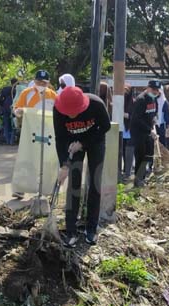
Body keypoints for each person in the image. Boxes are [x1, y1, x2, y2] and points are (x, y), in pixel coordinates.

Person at [54, 86, 111, 247]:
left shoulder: (96, 104)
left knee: (94, 182)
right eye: (68, 112)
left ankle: (91, 228)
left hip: (95, 141)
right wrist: (64, 164)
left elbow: (105, 127)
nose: (71, 115)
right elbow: (60, 138)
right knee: (74, 183)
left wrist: (84, 142)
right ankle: (71, 229)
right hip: (72, 145)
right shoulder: (58, 110)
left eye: (75, 112)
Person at [11, 70, 58, 199]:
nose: (41, 84)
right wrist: (19, 112)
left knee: (47, 160)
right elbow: (17, 108)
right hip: (30, 131)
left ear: (48, 83)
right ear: (34, 81)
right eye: (38, 82)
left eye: (44, 82)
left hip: (48, 132)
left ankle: (46, 188)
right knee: (26, 157)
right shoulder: (27, 93)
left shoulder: (53, 95)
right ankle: (20, 188)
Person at [130, 80, 161, 187]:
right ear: (148, 88)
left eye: (157, 90)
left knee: (148, 155)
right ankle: (138, 180)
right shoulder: (141, 100)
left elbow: (153, 114)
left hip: (149, 131)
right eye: (154, 89)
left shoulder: (154, 99)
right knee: (140, 156)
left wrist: (154, 121)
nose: (156, 92)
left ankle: (143, 177)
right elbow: (136, 119)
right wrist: (149, 130)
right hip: (138, 133)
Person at [0, 78, 17, 145]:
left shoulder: (5, 89)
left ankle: (7, 140)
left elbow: (0, 99)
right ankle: (12, 141)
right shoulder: (16, 90)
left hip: (5, 107)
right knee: (14, 124)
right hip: (14, 107)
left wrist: (2, 105)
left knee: (6, 124)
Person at [122, 86, 134, 181]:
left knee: (129, 153)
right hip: (121, 130)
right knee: (122, 152)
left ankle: (128, 172)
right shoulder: (119, 101)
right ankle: (124, 170)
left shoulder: (133, 102)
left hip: (129, 130)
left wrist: (125, 114)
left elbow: (134, 116)